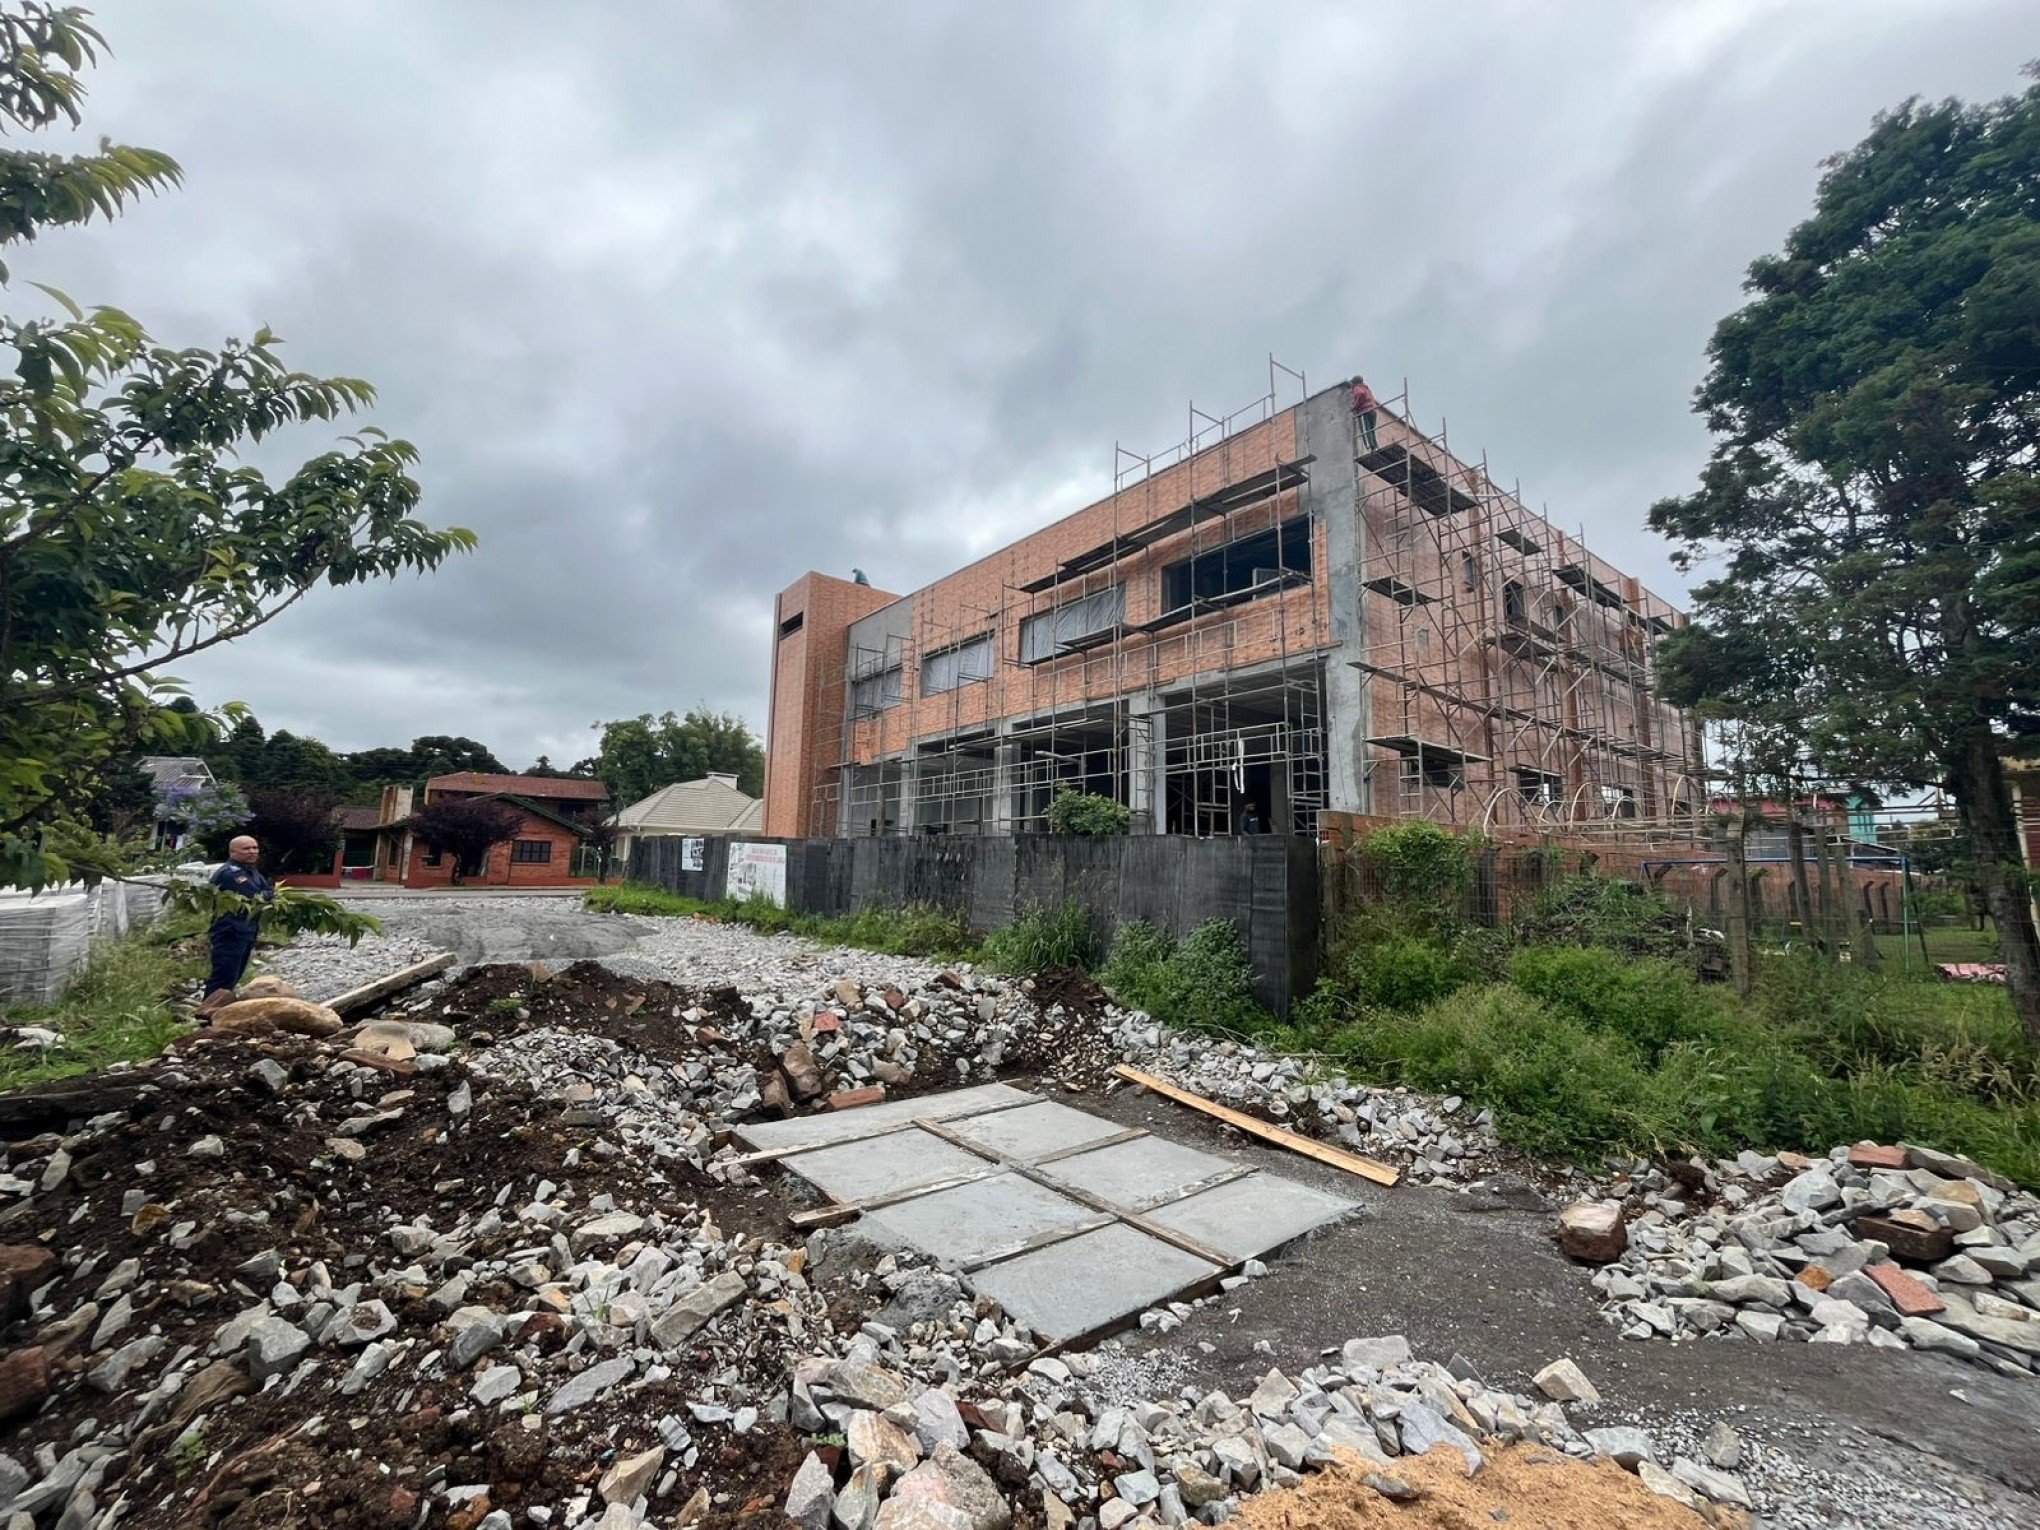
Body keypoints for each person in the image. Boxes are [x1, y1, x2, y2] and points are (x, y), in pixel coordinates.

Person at [199, 835, 273, 1015]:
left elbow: (268, 892)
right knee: (223, 976)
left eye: (255, 848)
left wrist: (267, 894)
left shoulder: (252, 871)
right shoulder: (230, 873)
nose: (252, 852)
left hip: (246, 931)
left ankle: (221, 1013)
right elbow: (256, 896)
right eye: (246, 849)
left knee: (234, 976)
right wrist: (266, 895)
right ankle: (207, 1015)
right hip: (229, 931)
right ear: (233, 852)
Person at [1350, 375, 1379, 452]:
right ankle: (1375, 447)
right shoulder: (1366, 388)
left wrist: (1354, 407)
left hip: (1365, 411)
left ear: (1354, 383)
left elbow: (1360, 394)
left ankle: (1370, 448)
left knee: (1366, 431)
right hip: (1373, 411)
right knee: (1371, 431)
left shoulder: (1357, 388)